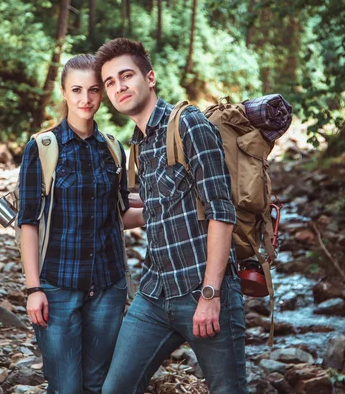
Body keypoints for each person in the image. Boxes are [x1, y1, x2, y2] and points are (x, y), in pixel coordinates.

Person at [96, 39, 248, 393]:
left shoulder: (188, 124)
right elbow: (153, 211)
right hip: (153, 293)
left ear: (149, 78)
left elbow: (221, 213)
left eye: (126, 75)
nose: (119, 86)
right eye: (109, 82)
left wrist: (210, 295)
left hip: (203, 291)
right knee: (115, 389)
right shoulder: (138, 142)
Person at [17, 54, 144, 394]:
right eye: (76, 90)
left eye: (93, 90)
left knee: (97, 384)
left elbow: (117, 215)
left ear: (103, 93)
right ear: (63, 93)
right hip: (57, 286)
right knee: (66, 387)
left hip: (108, 285)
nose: (85, 99)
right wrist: (33, 289)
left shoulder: (114, 149)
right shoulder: (42, 148)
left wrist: (164, 210)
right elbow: (27, 222)